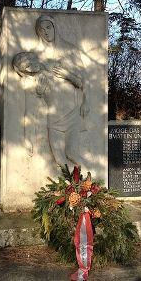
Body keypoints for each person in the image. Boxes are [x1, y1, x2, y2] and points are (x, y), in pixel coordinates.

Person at [12, 15, 89, 168]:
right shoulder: (34, 78)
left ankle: (87, 182)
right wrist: (28, 139)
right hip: (54, 120)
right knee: (60, 160)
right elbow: (30, 110)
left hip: (72, 112)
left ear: (54, 27)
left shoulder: (69, 49)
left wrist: (68, 75)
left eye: (48, 27)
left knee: (72, 153)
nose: (46, 32)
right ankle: (70, 187)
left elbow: (82, 81)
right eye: (42, 30)